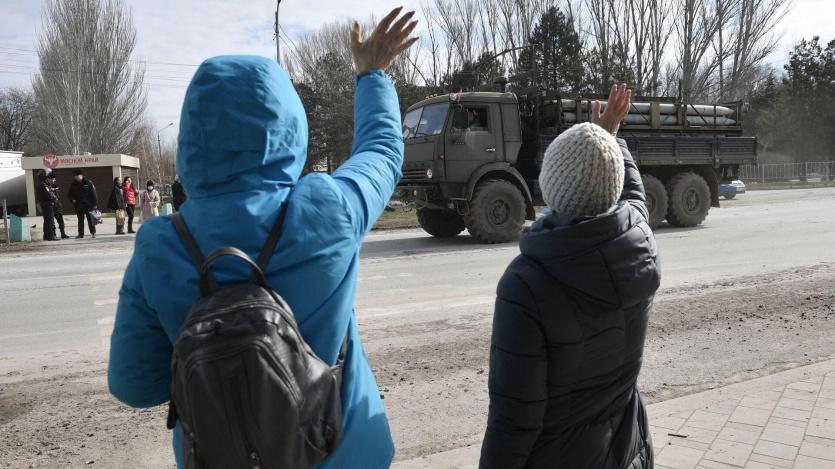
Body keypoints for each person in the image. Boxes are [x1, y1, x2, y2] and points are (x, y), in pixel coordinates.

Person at [108, 7, 417, 469]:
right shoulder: (326, 209)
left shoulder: (161, 244)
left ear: (191, 137)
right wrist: (371, 75)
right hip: (344, 453)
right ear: (289, 126)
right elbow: (382, 152)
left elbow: (134, 385)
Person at [479, 84, 660, 469]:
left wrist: (608, 137)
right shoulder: (638, 244)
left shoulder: (526, 283)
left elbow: (514, 419)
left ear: (552, 186)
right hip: (628, 449)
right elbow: (634, 196)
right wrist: (611, 140)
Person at [68, 169, 98, 239]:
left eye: (78, 176)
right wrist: (72, 200)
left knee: (90, 220)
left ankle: (93, 232)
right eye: (75, 176)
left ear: (81, 175)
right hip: (78, 205)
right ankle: (80, 234)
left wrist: (95, 204)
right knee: (80, 220)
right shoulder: (73, 184)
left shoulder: (88, 183)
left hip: (89, 205)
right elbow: (69, 194)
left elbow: (93, 194)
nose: (76, 177)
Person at [36, 170, 57, 241]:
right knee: (50, 220)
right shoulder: (43, 185)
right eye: (46, 176)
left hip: (45, 204)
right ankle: (50, 236)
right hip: (48, 205)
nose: (47, 177)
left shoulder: (42, 184)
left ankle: (46, 236)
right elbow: (48, 195)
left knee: (46, 221)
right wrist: (54, 198)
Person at [47, 173, 69, 239]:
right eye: (52, 179)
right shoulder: (46, 186)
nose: (54, 180)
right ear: (49, 179)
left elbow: (58, 195)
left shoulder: (55, 185)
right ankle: (54, 234)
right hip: (51, 206)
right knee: (52, 222)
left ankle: (63, 233)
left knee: (60, 221)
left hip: (57, 206)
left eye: (54, 179)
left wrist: (54, 190)